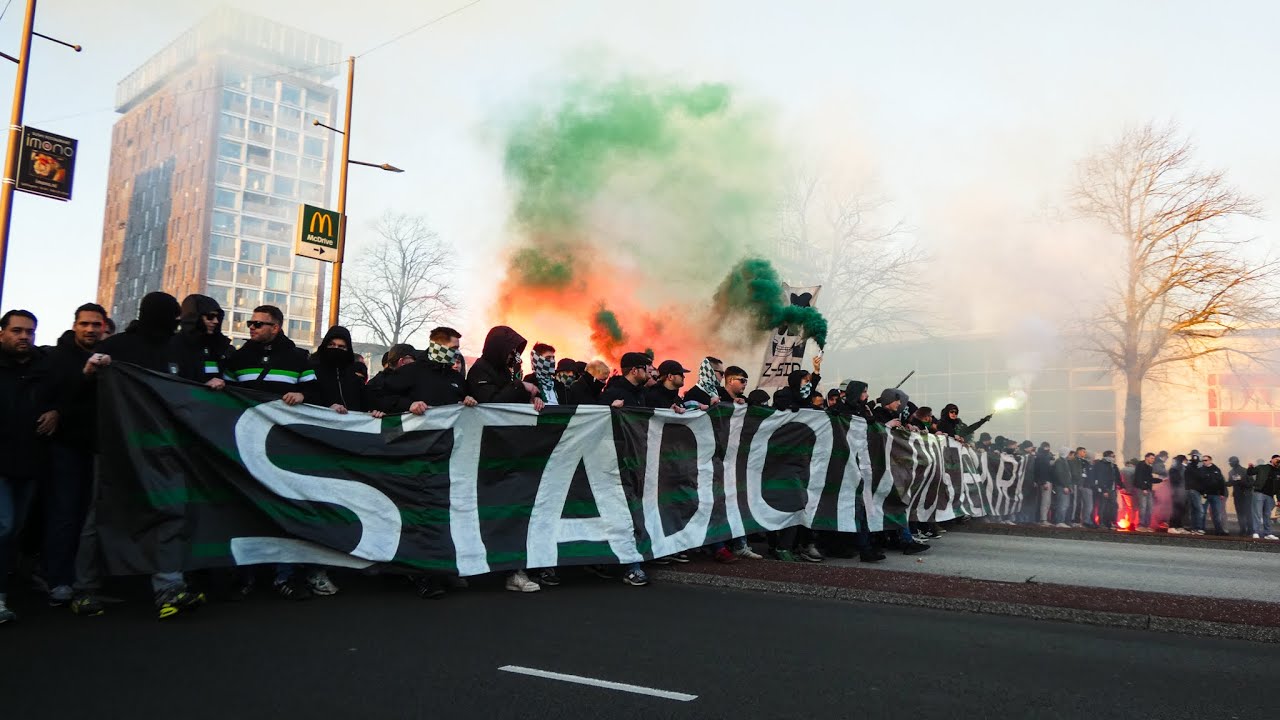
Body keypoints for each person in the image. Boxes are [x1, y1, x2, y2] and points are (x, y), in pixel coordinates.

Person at [80, 292, 209, 619]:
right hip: (118, 449)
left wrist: (213, 386)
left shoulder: (180, 350)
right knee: (104, 514)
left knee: (171, 512)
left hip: (167, 448)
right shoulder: (117, 347)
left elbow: (194, 391)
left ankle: (169, 587)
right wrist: (93, 369)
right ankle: (86, 587)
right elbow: (86, 389)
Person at [223, 304, 315, 600]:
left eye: (259, 324)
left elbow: (318, 393)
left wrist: (303, 394)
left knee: (285, 509)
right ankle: (245, 576)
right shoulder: (237, 358)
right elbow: (223, 394)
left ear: (276, 327)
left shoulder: (299, 358)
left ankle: (284, 576)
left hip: (284, 447)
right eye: (250, 323)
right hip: (245, 446)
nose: (251, 328)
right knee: (247, 510)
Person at [40, 302, 108, 612]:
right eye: (85, 324)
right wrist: (85, 375)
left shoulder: (110, 359)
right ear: (75, 325)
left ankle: (82, 581)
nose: (91, 329)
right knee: (65, 513)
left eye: (96, 324)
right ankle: (58, 580)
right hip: (66, 446)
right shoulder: (56, 358)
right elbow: (53, 398)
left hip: (97, 447)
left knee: (87, 517)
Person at [466, 326, 544, 593]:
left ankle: (514, 569)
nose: (514, 356)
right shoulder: (480, 372)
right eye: (511, 350)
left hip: (511, 453)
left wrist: (535, 399)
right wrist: (518, 387)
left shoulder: (506, 373)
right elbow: (491, 405)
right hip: (489, 457)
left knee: (515, 513)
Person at [0, 309, 51, 623]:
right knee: (3, 526)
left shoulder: (42, 368)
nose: (24, 337)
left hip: (29, 461)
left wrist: (56, 410)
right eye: (17, 331)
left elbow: (59, 396)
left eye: (29, 332)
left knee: (14, 530)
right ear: (2, 332)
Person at [597, 351, 655, 586]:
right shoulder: (612, 394)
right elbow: (596, 423)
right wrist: (609, 410)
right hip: (617, 465)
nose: (650, 372)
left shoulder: (642, 394)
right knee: (625, 513)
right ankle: (632, 567)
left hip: (638, 462)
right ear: (634, 370)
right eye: (646, 368)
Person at [169, 294, 232, 386]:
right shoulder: (173, 346)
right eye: (210, 317)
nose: (216, 321)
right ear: (195, 317)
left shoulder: (220, 348)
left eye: (218, 317)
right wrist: (203, 387)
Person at [1246, 456, 1279, 540]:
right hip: (1259, 493)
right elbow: (1250, 473)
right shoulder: (1262, 467)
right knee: (1257, 513)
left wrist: (1279, 499)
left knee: (1267, 515)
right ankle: (1255, 532)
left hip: (1270, 495)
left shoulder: (1279, 472)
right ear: (1271, 459)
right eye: (1276, 459)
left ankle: (1267, 533)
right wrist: (1250, 467)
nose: (1278, 461)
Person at [1090, 451, 1121, 530]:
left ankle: (1111, 522)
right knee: (1102, 506)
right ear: (1107, 456)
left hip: (1113, 489)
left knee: (1113, 506)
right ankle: (1101, 523)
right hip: (1105, 489)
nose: (1114, 458)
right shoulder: (1100, 465)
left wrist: (1121, 485)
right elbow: (1100, 478)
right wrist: (1104, 490)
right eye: (1112, 456)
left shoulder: (1113, 466)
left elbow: (1117, 477)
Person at [1197, 455, 1227, 536]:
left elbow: (1221, 482)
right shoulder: (1200, 470)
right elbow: (1198, 482)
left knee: (1216, 513)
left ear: (1210, 460)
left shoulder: (1216, 469)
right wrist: (1201, 492)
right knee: (1202, 512)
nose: (1204, 462)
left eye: (1206, 460)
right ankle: (1201, 529)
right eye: (1203, 460)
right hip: (1204, 495)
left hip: (1215, 494)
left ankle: (1219, 531)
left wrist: (1222, 493)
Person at [1131, 453, 1161, 531]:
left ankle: (1146, 525)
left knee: (1150, 507)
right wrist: (1143, 488)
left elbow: (1149, 479)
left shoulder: (1149, 467)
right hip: (1142, 489)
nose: (1153, 460)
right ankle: (1140, 525)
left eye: (1153, 458)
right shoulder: (1141, 465)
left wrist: (1160, 480)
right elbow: (1139, 478)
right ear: (1146, 458)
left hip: (1148, 489)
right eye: (1151, 458)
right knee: (1143, 507)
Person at [1226, 456, 1252, 536]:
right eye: (1229, 462)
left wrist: (1242, 481)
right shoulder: (1231, 472)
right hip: (1237, 496)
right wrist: (1222, 483)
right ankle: (1242, 529)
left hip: (1246, 495)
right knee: (1240, 513)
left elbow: (1251, 483)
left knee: (1247, 513)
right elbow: (1230, 483)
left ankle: (1250, 530)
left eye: (1231, 462)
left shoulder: (1245, 471)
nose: (1230, 464)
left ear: (1235, 462)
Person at [1069, 447, 1093, 528]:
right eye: (1083, 451)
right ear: (1078, 451)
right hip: (1077, 483)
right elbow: (1074, 472)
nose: (1084, 453)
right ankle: (1074, 520)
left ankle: (1082, 520)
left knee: (1084, 503)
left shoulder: (1084, 462)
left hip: (1083, 484)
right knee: (1076, 502)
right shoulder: (1074, 460)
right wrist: (1079, 477)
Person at [1051, 447, 1075, 527]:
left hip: (1063, 486)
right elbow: (1060, 474)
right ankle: (1059, 521)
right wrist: (1065, 486)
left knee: (1064, 504)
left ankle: (1061, 521)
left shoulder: (1063, 461)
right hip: (1061, 486)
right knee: (1062, 504)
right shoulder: (1060, 462)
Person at [1034, 442, 1055, 525]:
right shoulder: (1044, 457)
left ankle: (1042, 519)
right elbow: (1043, 471)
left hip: (1043, 481)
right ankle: (1043, 519)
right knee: (1045, 501)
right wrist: (1044, 482)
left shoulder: (1040, 456)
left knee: (1044, 501)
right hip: (1046, 482)